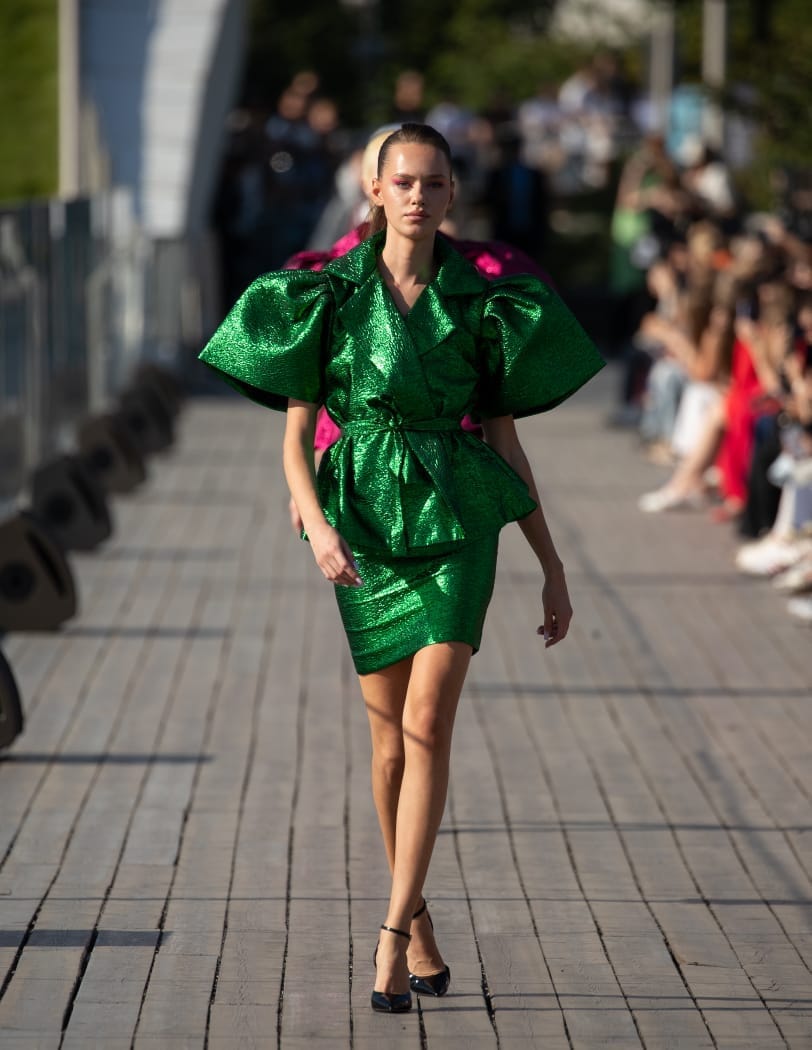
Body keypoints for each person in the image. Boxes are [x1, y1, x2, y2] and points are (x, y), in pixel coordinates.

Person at [198, 123, 604, 1014]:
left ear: (454, 193)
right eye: (404, 181)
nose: (420, 195)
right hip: (364, 524)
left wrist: (552, 563)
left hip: (460, 519)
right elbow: (297, 438)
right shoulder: (329, 295)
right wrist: (316, 527)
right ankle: (416, 919)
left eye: (435, 182)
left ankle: (385, 938)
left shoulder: (485, 301)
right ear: (375, 193)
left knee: (427, 725)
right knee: (388, 745)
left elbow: (507, 446)